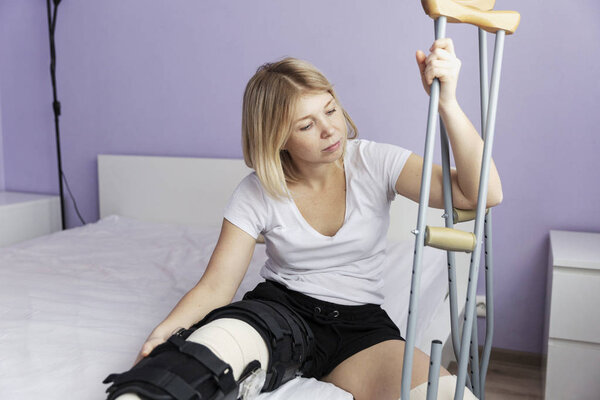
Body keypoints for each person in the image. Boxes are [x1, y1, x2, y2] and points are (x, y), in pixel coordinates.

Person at [119, 38, 502, 400]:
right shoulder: (256, 192)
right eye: (306, 125)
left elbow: (484, 193)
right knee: (181, 370)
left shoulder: (374, 161)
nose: (329, 129)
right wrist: (165, 333)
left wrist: (447, 103)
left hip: (360, 329)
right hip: (278, 312)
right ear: (277, 139)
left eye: (330, 109)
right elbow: (216, 288)